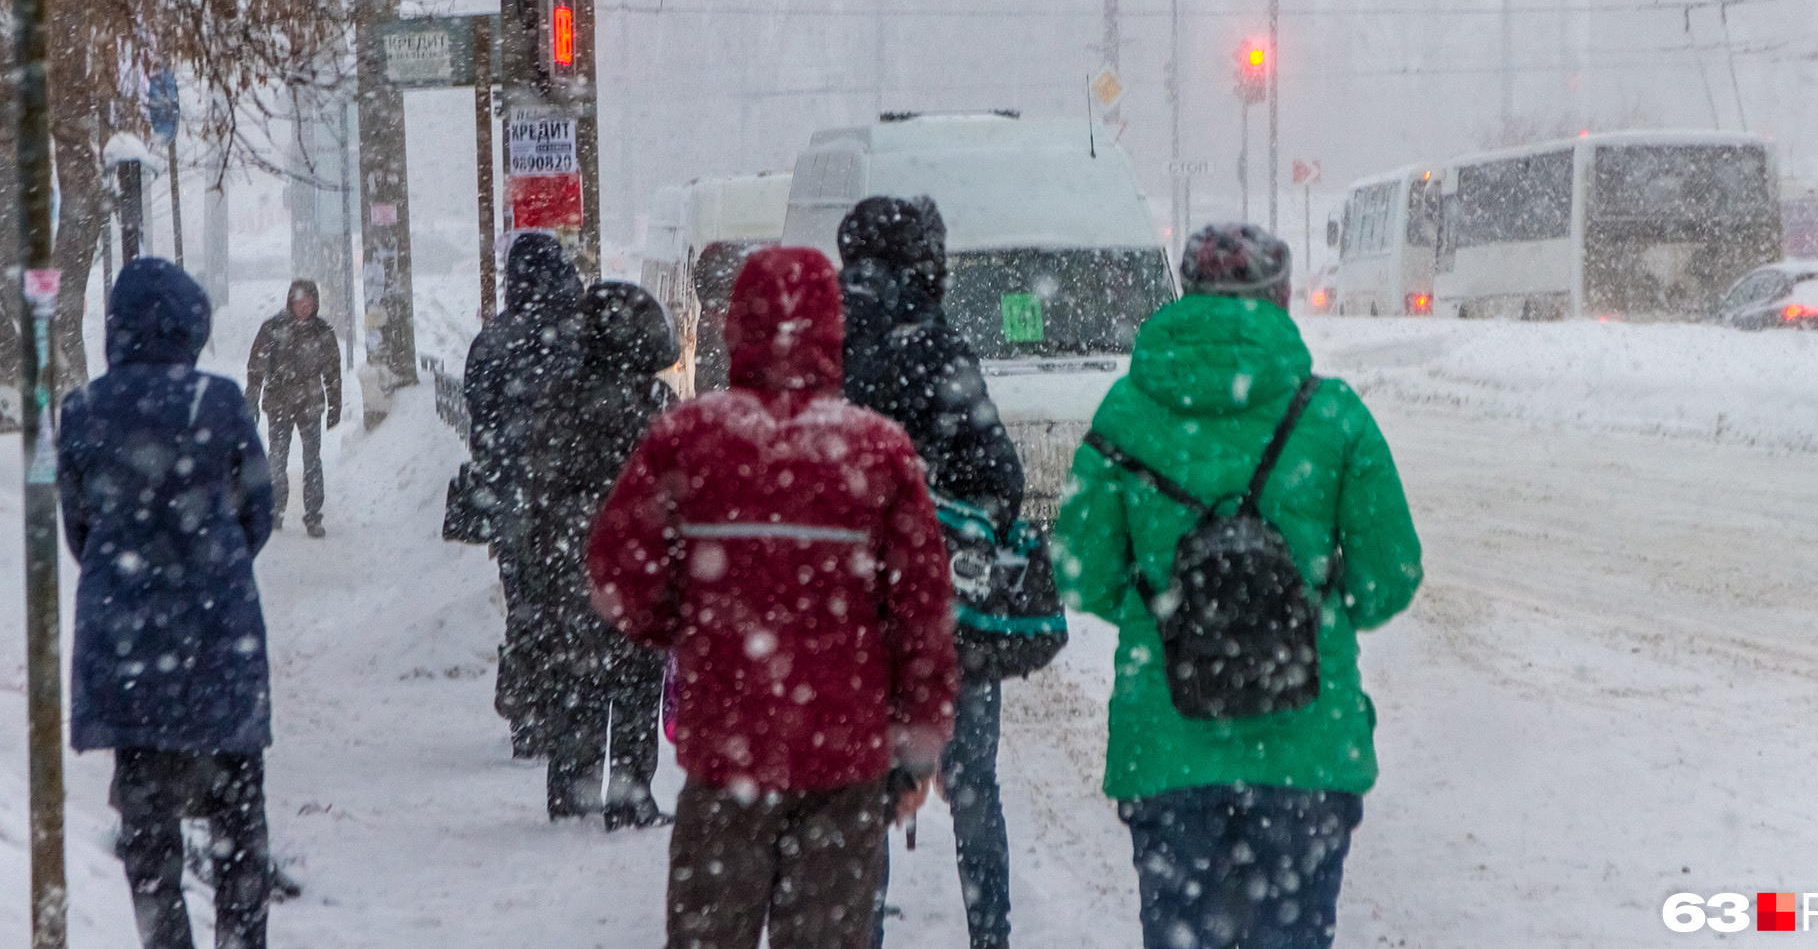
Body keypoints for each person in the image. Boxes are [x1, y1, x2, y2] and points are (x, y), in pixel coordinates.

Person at [1053, 224, 1423, 949]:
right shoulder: (1331, 412)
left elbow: (1078, 565)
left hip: (1167, 744)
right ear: (1281, 299)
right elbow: (1392, 575)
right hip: (1307, 748)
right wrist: (1318, 606)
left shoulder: (1126, 411)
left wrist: (1161, 607)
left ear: (1185, 293)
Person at [587, 247, 960, 949]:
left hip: (727, 757)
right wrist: (916, 742)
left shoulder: (690, 440)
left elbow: (617, 573)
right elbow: (923, 614)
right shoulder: (877, 453)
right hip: (843, 764)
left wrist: (685, 624)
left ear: (734, 327)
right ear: (835, 330)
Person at [59, 258, 277, 949]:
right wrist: (211, 566)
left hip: (129, 653)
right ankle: (241, 939)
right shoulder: (220, 401)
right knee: (239, 820)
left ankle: (167, 941)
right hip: (219, 643)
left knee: (150, 837)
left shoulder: (85, 409)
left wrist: (132, 574)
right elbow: (258, 509)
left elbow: (78, 525)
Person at [836, 195, 1025, 949]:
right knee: (974, 781)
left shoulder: (820, 349)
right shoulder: (937, 349)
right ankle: (991, 935)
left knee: (855, 785)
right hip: (946, 610)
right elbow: (1001, 478)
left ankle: (863, 927)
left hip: (847, 613)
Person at [523, 281, 676, 829]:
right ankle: (631, 795)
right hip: (638, 559)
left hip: (574, 557)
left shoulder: (560, 396)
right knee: (636, 678)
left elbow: (539, 483)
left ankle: (572, 790)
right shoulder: (654, 403)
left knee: (577, 678)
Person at [463, 232, 584, 757]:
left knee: (526, 605)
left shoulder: (494, 341)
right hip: (574, 497)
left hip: (516, 501)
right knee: (573, 603)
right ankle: (570, 703)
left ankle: (527, 712)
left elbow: (480, 423)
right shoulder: (583, 333)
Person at [245, 278, 341, 538]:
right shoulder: (273, 330)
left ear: (315, 303)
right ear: (291, 302)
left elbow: (332, 372)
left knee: (312, 460)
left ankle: (313, 516)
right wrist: (251, 400)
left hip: (310, 404)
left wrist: (335, 405)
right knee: (277, 459)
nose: (304, 307)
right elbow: (256, 368)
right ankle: (274, 511)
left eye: (308, 301)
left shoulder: (322, 333)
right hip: (278, 404)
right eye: (299, 301)